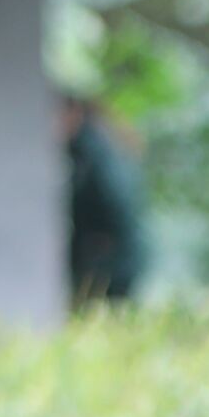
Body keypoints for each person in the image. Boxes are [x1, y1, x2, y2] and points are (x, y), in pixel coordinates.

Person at [61, 92, 153, 309]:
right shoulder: (91, 146)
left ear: (73, 113)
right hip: (113, 256)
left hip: (109, 259)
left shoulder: (93, 150)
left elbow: (118, 206)